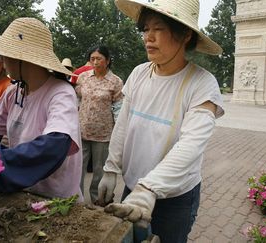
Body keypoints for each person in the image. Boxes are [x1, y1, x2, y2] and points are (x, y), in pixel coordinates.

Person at [97, 0, 224, 242]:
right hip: (133, 191)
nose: (148, 37)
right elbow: (123, 124)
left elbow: (191, 145)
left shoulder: (202, 84)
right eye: (145, 29)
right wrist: (111, 167)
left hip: (174, 199)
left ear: (185, 35)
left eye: (158, 29)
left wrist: (150, 188)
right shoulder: (139, 73)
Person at [0, 17, 84, 201]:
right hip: (24, 195)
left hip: (56, 199)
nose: (2, 60)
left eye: (5, 54)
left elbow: (55, 144)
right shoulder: (15, 91)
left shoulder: (60, 93)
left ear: (23, 58)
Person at [75, 46, 123, 203]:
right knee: (78, 167)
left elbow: (118, 107)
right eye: (92, 58)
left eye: (99, 59)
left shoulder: (115, 82)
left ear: (108, 61)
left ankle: (98, 199)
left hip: (103, 133)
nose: (95, 62)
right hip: (82, 130)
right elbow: (78, 99)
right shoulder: (83, 77)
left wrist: (118, 131)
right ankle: (78, 198)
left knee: (99, 170)